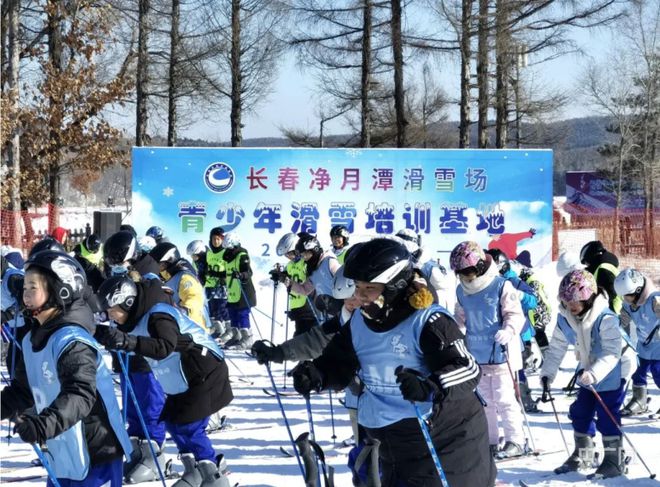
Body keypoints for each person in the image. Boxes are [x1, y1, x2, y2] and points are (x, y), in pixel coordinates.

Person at [289, 238, 495, 487]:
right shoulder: (360, 322)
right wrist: (318, 374)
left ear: (393, 286)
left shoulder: (428, 321)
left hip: (446, 440)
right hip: (389, 441)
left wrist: (429, 386)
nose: (359, 295)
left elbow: (467, 368)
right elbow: (338, 362)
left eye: (369, 288)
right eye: (357, 287)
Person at [1, 250, 132, 487]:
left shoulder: (71, 340)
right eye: (24, 288)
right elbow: (23, 391)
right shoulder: (32, 341)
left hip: (95, 452)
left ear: (60, 290)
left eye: (33, 287)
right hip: (63, 450)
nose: (25, 294)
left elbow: (80, 394)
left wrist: (42, 426)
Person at [95, 275, 233, 487]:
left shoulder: (158, 315)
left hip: (202, 369)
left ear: (127, 302)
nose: (110, 317)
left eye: (112, 310)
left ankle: (212, 475)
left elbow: (164, 346)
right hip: (181, 376)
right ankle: (194, 470)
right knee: (173, 421)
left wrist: (129, 342)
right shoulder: (133, 319)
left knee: (189, 424)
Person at [540, 270, 626, 479]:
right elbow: (557, 347)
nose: (571, 305)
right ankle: (585, 454)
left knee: (607, 416)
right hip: (588, 371)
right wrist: (547, 374)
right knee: (580, 413)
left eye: (576, 300)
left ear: (588, 297)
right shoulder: (567, 319)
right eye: (567, 300)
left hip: (613, 370)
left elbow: (613, 352)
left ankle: (614, 460)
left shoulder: (605, 318)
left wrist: (595, 373)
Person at [450, 241, 527, 458]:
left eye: (469, 271)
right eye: (462, 273)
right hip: (476, 354)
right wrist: (453, 330)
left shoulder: (501, 286)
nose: (467, 277)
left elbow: (515, 314)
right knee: (483, 402)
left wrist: (509, 330)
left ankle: (515, 440)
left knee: (504, 400)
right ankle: (490, 440)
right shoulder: (461, 291)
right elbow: (460, 317)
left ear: (481, 266)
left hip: (500, 353)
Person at [615, 268, 660, 417]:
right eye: (624, 297)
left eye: (628, 296)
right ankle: (640, 400)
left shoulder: (655, 300)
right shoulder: (629, 303)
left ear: (639, 290)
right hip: (643, 345)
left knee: (658, 373)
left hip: (658, 346)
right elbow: (623, 321)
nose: (626, 300)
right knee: (638, 372)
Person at [150, 242, 212, 334]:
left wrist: (182, 311)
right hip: (181, 327)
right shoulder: (168, 276)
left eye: (160, 264)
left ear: (169, 261)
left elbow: (194, 298)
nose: (158, 267)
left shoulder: (184, 277)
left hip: (195, 329)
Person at [272, 232, 317, 336]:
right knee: (299, 333)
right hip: (296, 305)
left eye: (291, 253)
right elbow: (287, 277)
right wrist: (279, 275)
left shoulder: (306, 263)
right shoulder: (290, 265)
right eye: (286, 255)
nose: (289, 257)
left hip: (308, 305)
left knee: (304, 336)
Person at [219, 232, 257, 350]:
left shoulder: (242, 255)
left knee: (242, 314)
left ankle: (247, 338)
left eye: (230, 247)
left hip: (243, 291)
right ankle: (236, 336)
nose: (228, 250)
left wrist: (241, 275)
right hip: (232, 292)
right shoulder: (227, 257)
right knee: (232, 313)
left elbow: (249, 272)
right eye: (227, 248)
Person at [289, 232, 340, 319]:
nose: (303, 258)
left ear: (314, 249)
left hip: (341, 312)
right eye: (301, 255)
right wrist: (289, 283)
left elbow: (346, 284)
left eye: (305, 254)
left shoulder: (329, 262)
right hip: (327, 314)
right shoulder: (313, 269)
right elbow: (305, 290)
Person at [579, 241, 621, 314]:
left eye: (586, 263)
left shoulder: (603, 269)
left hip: (614, 311)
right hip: (616, 309)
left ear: (591, 258)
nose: (587, 266)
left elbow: (611, 293)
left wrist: (592, 302)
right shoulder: (605, 266)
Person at [205, 227, 231, 341]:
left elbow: (229, 270)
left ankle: (230, 331)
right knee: (213, 309)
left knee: (223, 308)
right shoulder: (209, 254)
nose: (216, 242)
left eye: (219, 239)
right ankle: (218, 330)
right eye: (214, 239)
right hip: (210, 285)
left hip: (222, 285)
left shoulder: (225, 253)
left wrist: (219, 275)